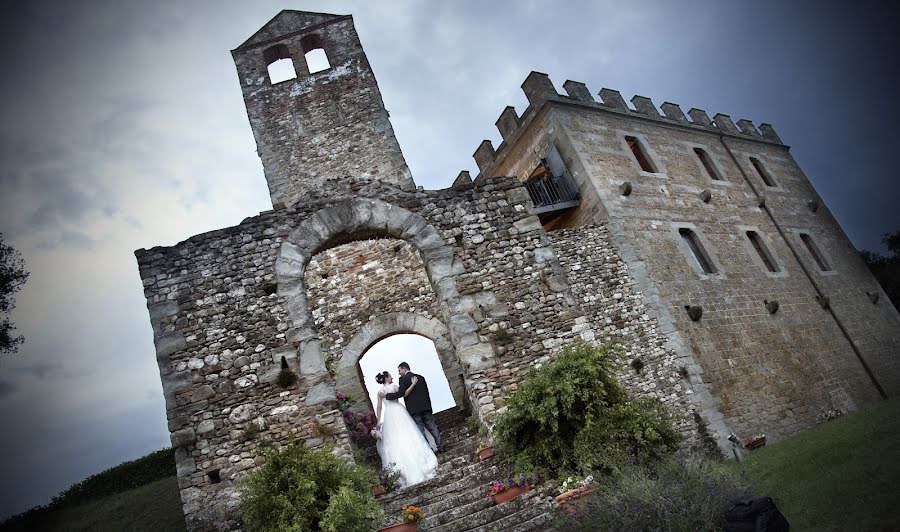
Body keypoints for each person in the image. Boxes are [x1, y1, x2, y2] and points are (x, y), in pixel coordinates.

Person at [374, 370, 438, 487]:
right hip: (399, 411)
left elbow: (379, 407)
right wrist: (413, 385)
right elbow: (404, 394)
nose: (392, 377)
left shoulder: (380, 392)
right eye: (390, 376)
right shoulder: (394, 387)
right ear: (387, 378)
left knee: (395, 439)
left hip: (389, 414)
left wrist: (378, 421)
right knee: (409, 433)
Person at [380, 362, 444, 453]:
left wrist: (387, 395)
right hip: (425, 406)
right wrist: (428, 406)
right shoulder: (421, 377)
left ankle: (429, 451)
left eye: (399, 370)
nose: (398, 373)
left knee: (420, 430)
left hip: (414, 409)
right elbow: (426, 393)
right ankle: (441, 446)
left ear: (404, 368)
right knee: (432, 426)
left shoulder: (403, 379)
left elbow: (401, 393)